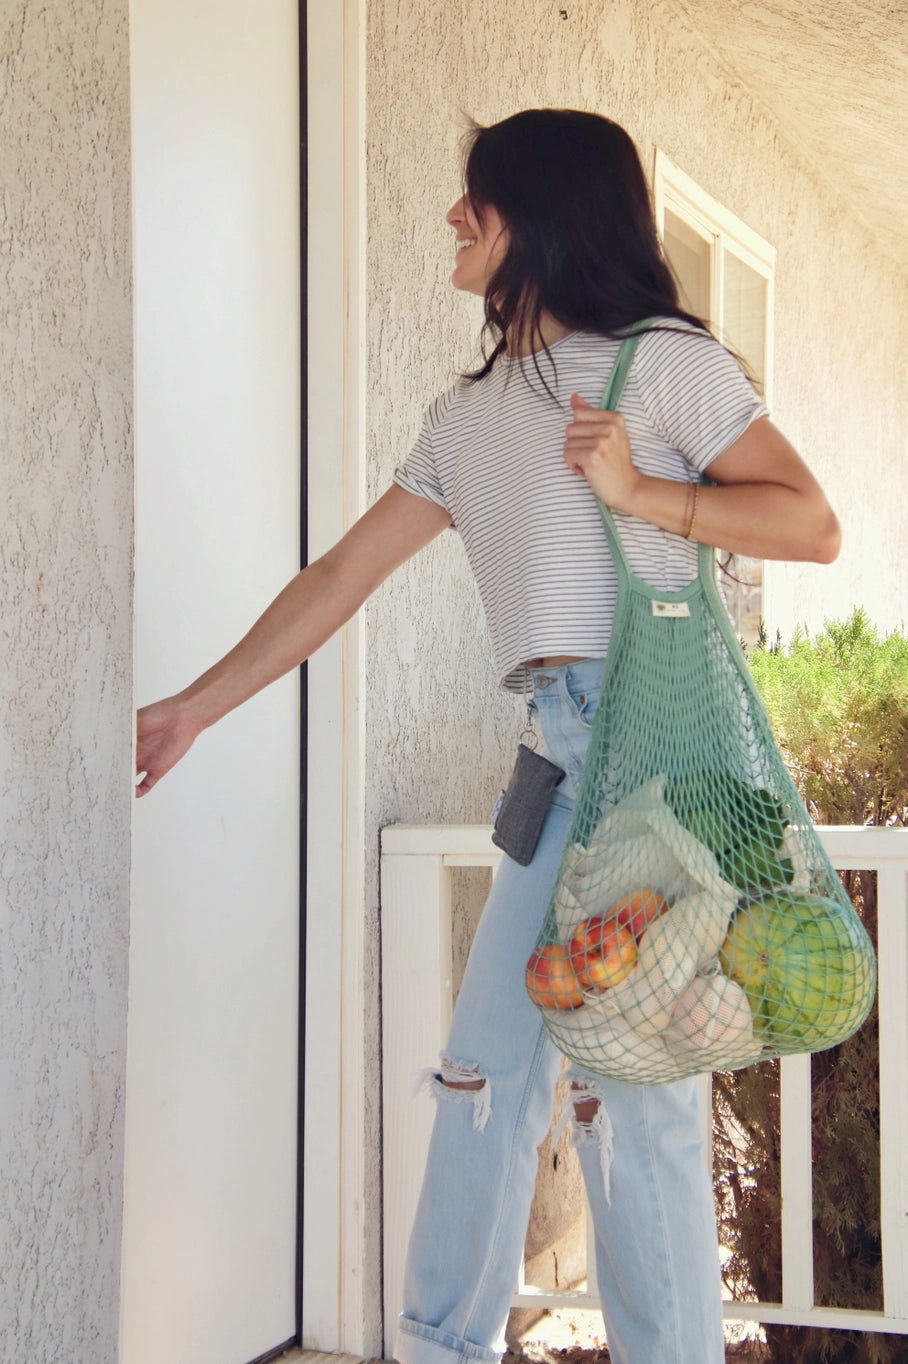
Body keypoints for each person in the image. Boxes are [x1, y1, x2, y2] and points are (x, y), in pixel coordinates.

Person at [136, 109, 841, 1364]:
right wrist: (195, 704)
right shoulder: (468, 420)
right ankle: (436, 1344)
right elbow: (339, 577)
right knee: (482, 1076)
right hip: (558, 756)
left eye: (478, 200)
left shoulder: (665, 365)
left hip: (661, 770)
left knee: (633, 1100)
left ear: (546, 217)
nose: (454, 219)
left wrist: (641, 493)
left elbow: (807, 521)